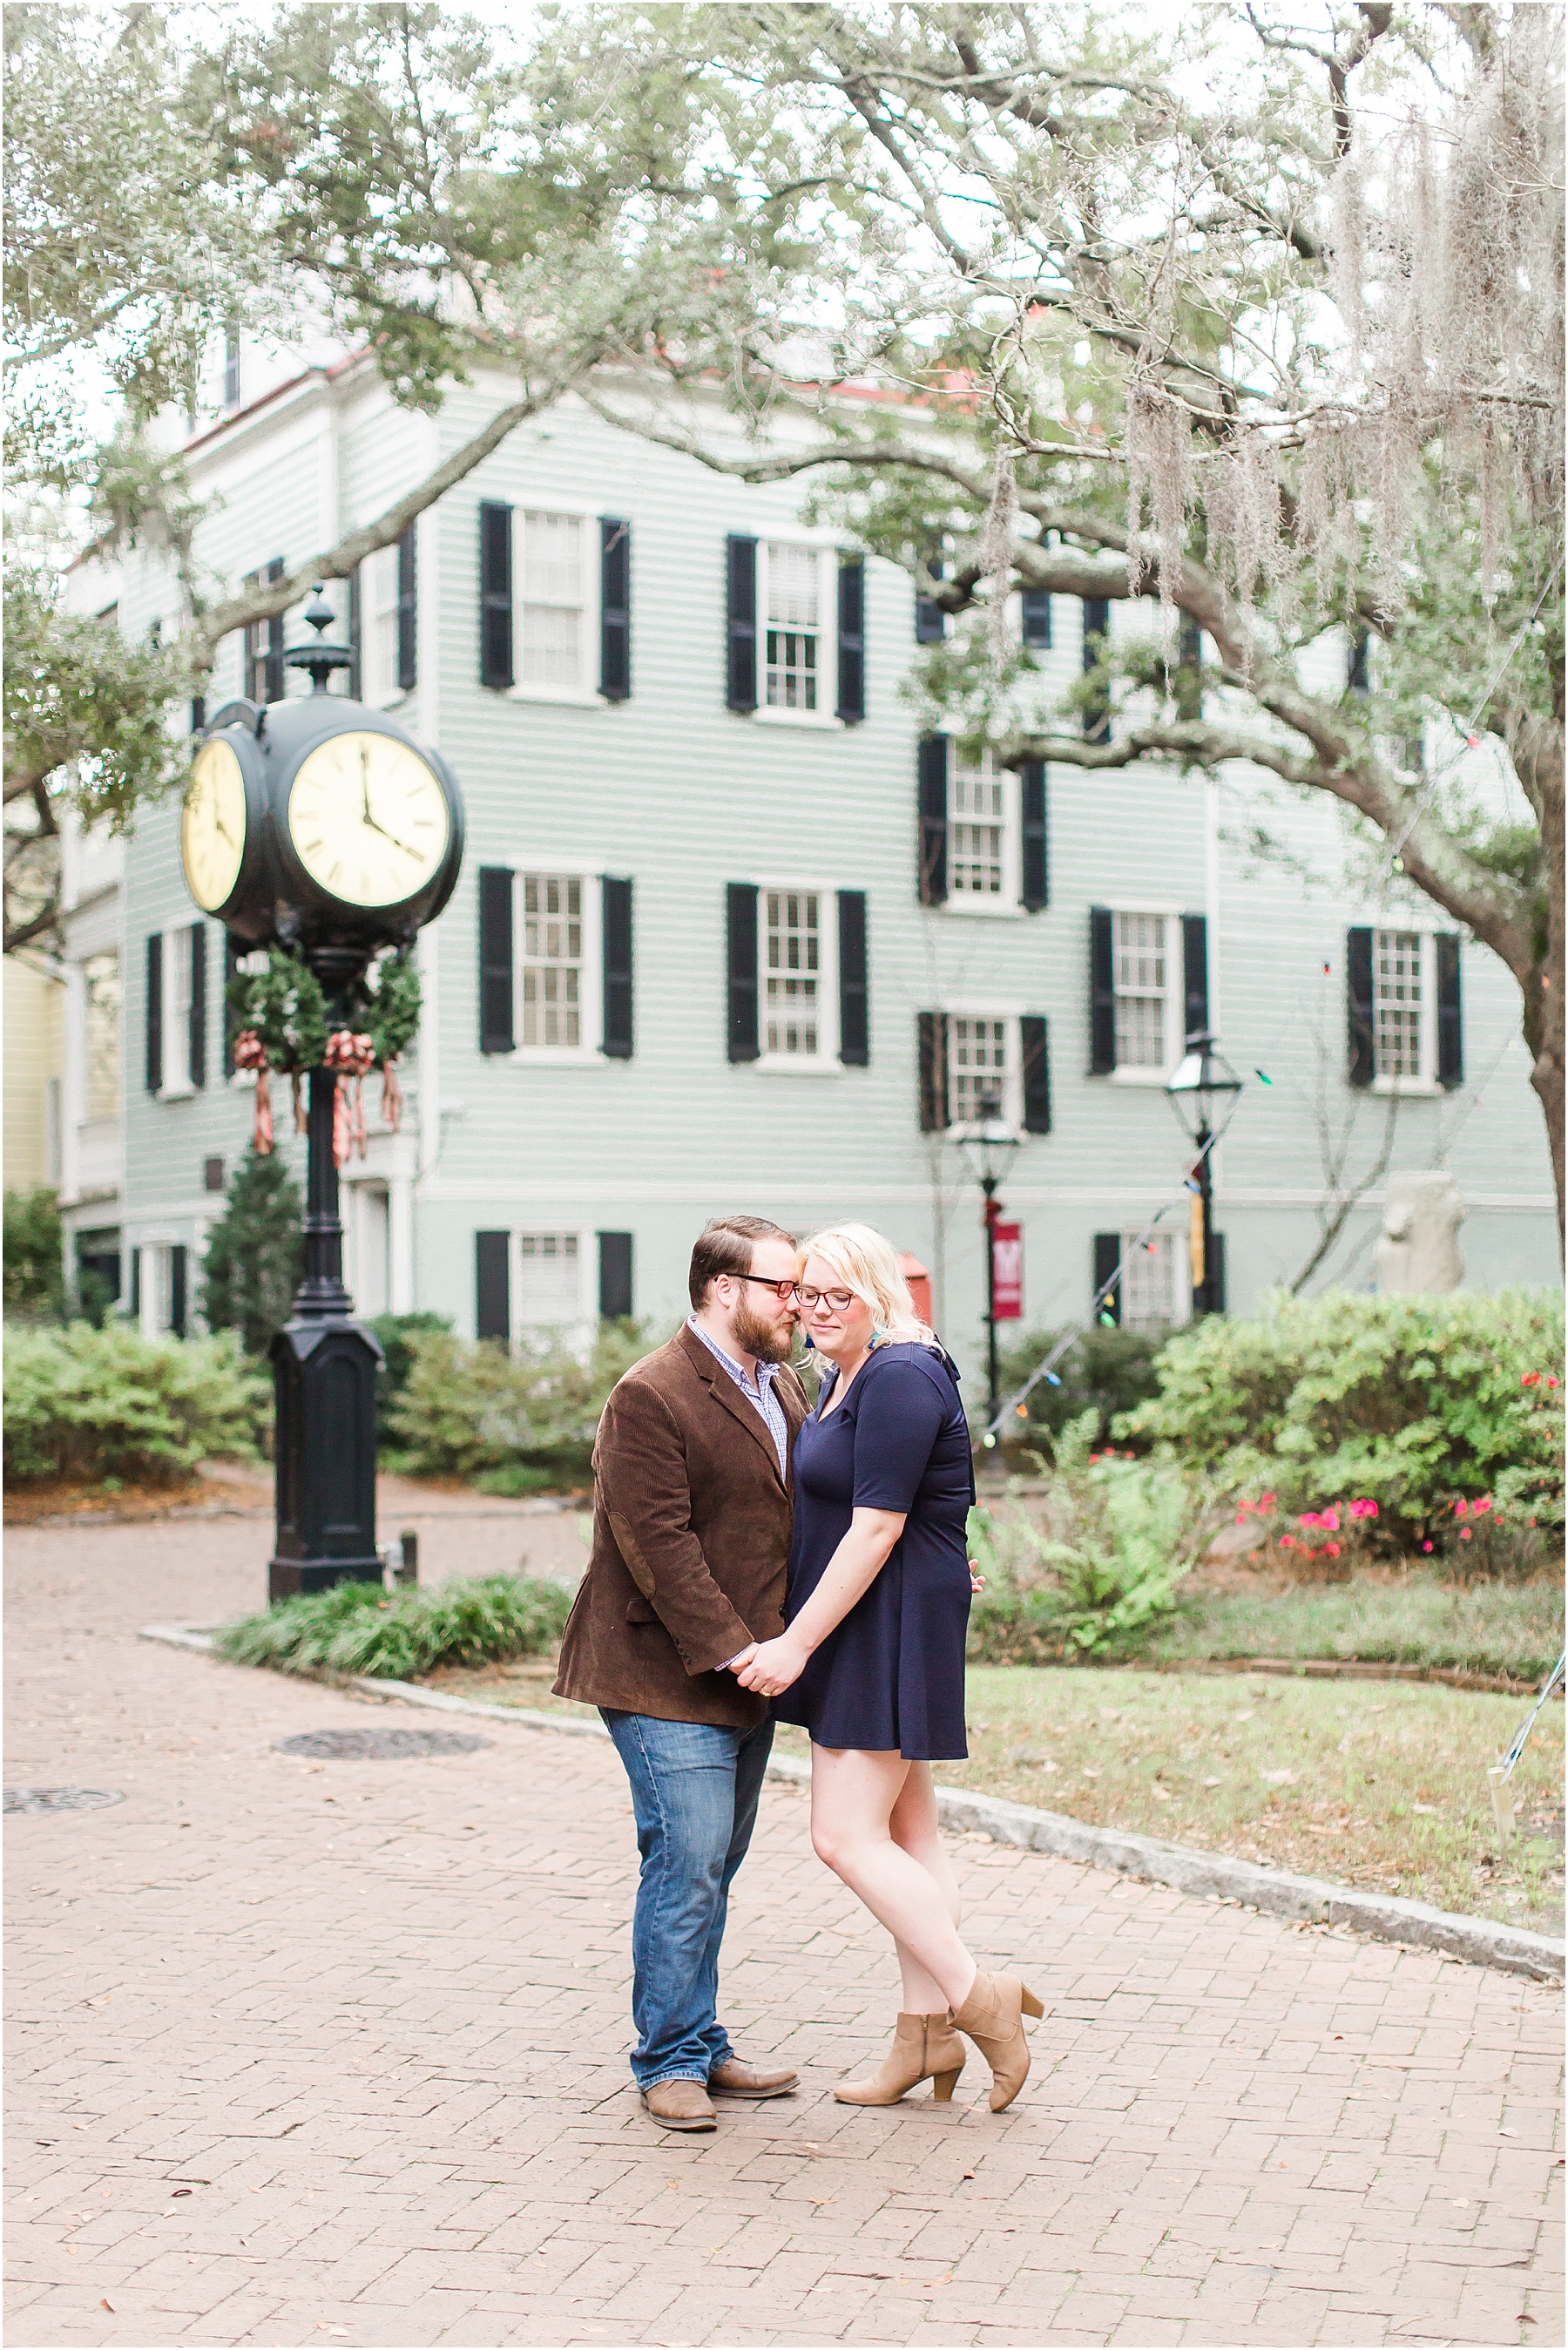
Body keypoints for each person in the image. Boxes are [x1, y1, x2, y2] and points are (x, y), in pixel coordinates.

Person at [735, 1223, 1044, 2114]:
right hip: (875, 1610)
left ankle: (980, 1998)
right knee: (911, 1834)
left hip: (890, 1617)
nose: (818, 1311)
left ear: (879, 1294)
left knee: (843, 1836)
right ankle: (924, 2040)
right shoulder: (844, 1371)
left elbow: (880, 1525)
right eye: (807, 1295)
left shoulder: (902, 1372)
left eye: (840, 1295)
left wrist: (794, 1645)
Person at [552, 1214, 810, 2131]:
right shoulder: (650, 1394)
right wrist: (739, 1648)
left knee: (716, 1864)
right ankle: (666, 2059)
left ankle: (699, 2041)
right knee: (688, 1860)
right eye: (782, 1286)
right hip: (664, 1671)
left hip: (751, 1672)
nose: (799, 1302)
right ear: (724, 1290)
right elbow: (654, 1542)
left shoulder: (785, 1387)